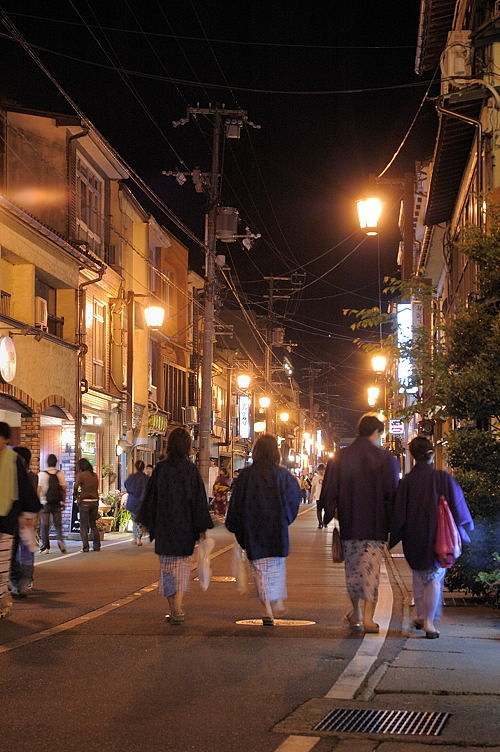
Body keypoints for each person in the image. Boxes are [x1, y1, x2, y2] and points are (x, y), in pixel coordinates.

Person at [321, 414, 399, 634]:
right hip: (376, 525)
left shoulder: (342, 456)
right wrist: (394, 523)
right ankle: (368, 617)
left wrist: (331, 512)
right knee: (371, 570)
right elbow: (393, 493)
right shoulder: (386, 459)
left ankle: (356, 613)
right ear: (377, 433)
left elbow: (330, 490)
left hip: (350, 522)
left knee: (353, 569)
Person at [390, 436, 474, 639]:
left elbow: (399, 512)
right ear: (431, 454)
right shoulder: (443, 478)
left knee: (419, 575)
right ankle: (429, 621)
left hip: (414, 536)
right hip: (440, 536)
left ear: (412, 455)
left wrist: (393, 535)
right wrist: (466, 526)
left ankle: (420, 615)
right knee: (434, 578)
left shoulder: (407, 482)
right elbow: (458, 505)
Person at [137, 427, 213, 625]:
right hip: (185, 528)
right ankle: (177, 606)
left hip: (164, 527)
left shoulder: (161, 469)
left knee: (167, 567)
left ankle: (173, 607)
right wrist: (201, 529)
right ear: (188, 447)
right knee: (181, 567)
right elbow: (198, 502)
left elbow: (150, 499)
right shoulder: (191, 471)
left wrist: (147, 523)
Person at [225, 434, 302, 626]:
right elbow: (294, 498)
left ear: (256, 452)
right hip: (276, 528)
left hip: (254, 529)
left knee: (259, 569)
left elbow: (236, 504)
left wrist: (236, 526)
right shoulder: (283, 475)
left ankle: (268, 606)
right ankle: (276, 601)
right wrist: (285, 518)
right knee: (276, 565)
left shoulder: (246, 476)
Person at [0, 423, 41, 618]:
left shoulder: (13, 460)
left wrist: (28, 514)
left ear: (6, 439)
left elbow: (24, 489)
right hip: (9, 519)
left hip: (7, 520)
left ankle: (3, 601)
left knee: (2, 566)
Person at [9, 447, 39, 597]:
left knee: (15, 550)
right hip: (25, 515)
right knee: (26, 549)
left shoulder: (16, 475)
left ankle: (18, 582)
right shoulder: (33, 476)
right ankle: (23, 582)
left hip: (18, 516)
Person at [38, 453, 67, 554]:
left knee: (44, 525)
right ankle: (60, 539)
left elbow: (39, 489)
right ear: (56, 462)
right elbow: (64, 489)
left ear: (47, 462)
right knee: (58, 524)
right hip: (57, 503)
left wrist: (37, 502)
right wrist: (63, 501)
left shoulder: (42, 474)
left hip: (45, 503)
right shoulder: (60, 474)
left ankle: (45, 547)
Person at [74, 458, 100, 553]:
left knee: (84, 525)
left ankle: (85, 547)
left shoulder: (81, 475)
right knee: (93, 524)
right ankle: (97, 546)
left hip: (85, 502)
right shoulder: (94, 475)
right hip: (95, 501)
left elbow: (75, 487)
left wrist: (77, 496)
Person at [124, 459, 149, 545]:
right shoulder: (146, 478)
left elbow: (126, 485)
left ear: (135, 467)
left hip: (132, 502)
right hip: (142, 502)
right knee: (140, 521)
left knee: (135, 520)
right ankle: (138, 538)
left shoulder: (131, 477)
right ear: (143, 468)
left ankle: (136, 537)